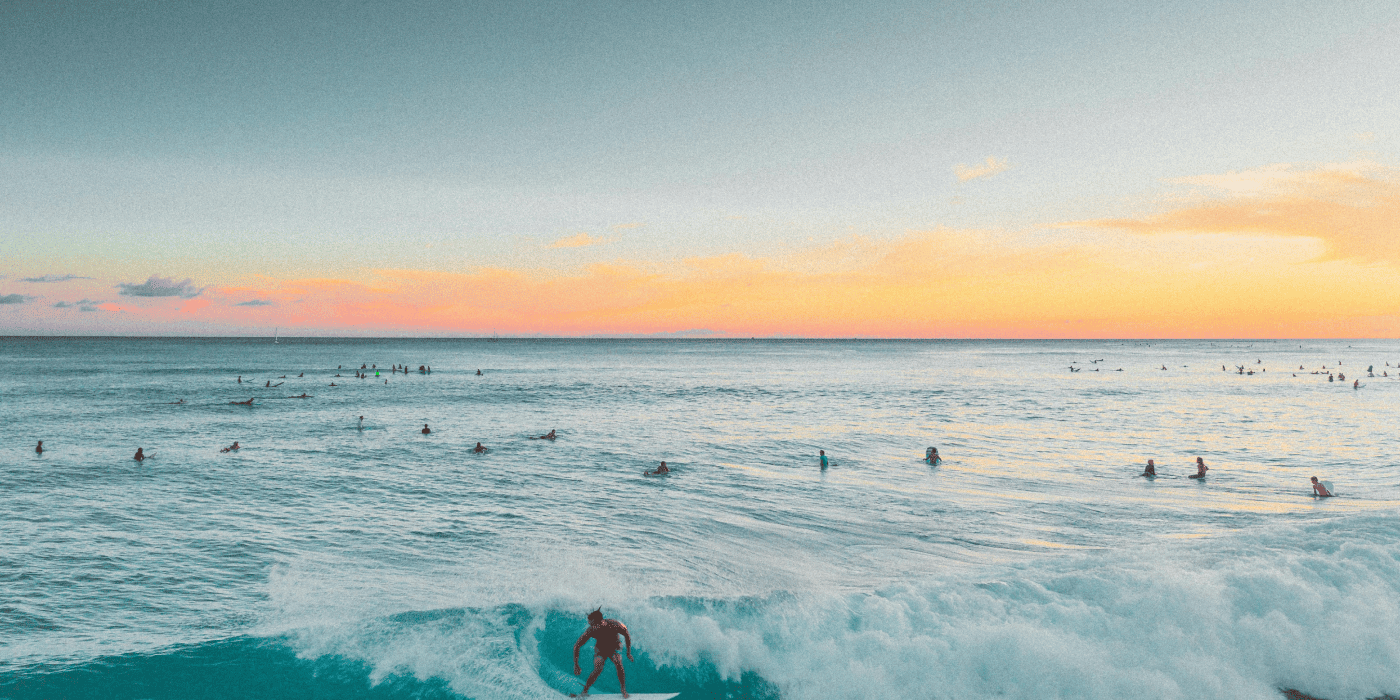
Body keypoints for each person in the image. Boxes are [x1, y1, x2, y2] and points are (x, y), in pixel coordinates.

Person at [572, 609, 632, 698]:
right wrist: (576, 664)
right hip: (601, 648)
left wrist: (628, 653)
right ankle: (584, 691)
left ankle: (623, 690)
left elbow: (626, 633)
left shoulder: (614, 624)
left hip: (615, 647)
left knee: (618, 662)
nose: (590, 624)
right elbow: (577, 645)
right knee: (598, 667)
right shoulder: (591, 630)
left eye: (591, 622)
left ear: (599, 622)